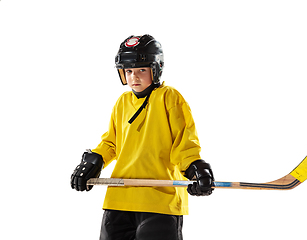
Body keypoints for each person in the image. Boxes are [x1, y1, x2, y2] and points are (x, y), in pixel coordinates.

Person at [71, 34, 215, 240]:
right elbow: (111, 142)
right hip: (119, 200)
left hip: (159, 201)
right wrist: (95, 160)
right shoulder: (122, 102)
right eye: (128, 71)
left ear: (156, 69)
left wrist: (194, 168)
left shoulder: (169, 97)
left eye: (141, 70)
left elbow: (184, 143)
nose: (134, 77)